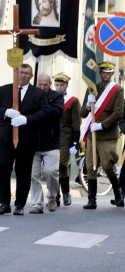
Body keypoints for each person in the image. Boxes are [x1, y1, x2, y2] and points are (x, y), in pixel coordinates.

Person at [0, 63, 57, 215]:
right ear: (15, 73)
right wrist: (6, 112)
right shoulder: (5, 89)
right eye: (20, 72)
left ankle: (19, 204)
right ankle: (3, 203)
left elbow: (46, 112)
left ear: (31, 76)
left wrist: (26, 119)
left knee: (23, 171)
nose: (23, 75)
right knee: (3, 169)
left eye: (27, 73)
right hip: (5, 137)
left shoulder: (38, 93)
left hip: (27, 139)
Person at [80, 62, 124, 209]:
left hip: (107, 134)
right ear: (100, 73)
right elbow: (82, 113)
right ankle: (91, 199)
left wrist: (102, 124)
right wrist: (87, 105)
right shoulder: (92, 88)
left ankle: (118, 193)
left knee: (107, 165)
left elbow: (118, 112)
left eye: (108, 73)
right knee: (91, 165)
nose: (105, 75)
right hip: (93, 133)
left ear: (112, 74)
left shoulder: (117, 90)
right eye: (103, 72)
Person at [27, 73, 64, 213]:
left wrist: (42, 106)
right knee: (33, 174)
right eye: (40, 85)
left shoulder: (57, 97)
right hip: (33, 142)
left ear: (50, 84)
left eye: (45, 85)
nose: (42, 87)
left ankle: (52, 197)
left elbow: (57, 112)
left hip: (51, 143)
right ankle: (37, 203)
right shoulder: (31, 95)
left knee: (51, 171)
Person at [53, 73, 81, 206]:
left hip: (65, 137)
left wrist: (75, 140)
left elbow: (76, 121)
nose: (59, 88)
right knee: (53, 167)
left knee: (62, 165)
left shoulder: (73, 101)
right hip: (51, 137)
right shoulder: (49, 98)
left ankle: (65, 193)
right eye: (57, 85)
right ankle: (56, 195)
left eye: (62, 85)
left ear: (66, 86)